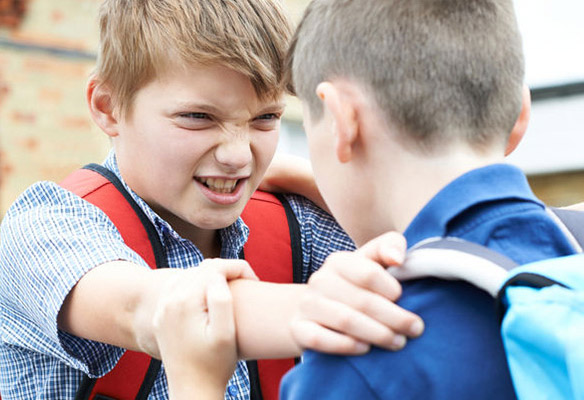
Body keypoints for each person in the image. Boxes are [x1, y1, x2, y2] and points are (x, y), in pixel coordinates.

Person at [0, 0, 424, 398]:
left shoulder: (299, 225)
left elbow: (444, 241)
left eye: (266, 118)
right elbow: (155, 309)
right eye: (199, 118)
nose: (238, 156)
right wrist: (348, 309)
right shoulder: (44, 228)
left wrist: (316, 180)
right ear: (108, 107)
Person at [271, 0, 579, 398]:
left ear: (339, 121)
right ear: (519, 114)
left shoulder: (365, 347)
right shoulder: (571, 253)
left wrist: (197, 368)